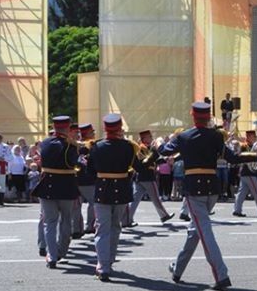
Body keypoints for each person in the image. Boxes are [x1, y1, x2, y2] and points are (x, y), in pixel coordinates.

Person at [159, 102, 257, 290]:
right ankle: (177, 269)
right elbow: (233, 158)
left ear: (193, 116)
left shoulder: (184, 136)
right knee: (195, 231)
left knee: (204, 232)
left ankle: (221, 275)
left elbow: (164, 151)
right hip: (212, 188)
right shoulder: (216, 136)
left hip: (194, 189)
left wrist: (165, 142)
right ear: (208, 117)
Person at [88, 114, 140, 281]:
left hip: (103, 190)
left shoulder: (96, 146)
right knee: (116, 227)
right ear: (119, 128)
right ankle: (109, 261)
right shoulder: (128, 147)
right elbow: (138, 167)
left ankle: (102, 266)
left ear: (105, 129)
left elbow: (90, 172)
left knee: (102, 228)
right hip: (122, 190)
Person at [33, 117, 80, 268]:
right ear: (67, 128)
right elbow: (73, 163)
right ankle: (62, 250)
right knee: (66, 220)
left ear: (54, 126)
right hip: (66, 185)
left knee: (50, 222)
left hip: (48, 185)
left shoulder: (45, 143)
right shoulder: (70, 146)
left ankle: (51, 256)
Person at [126, 129, 173, 226]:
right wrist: (155, 152)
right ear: (144, 139)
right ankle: (164, 215)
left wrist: (163, 160)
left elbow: (153, 161)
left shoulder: (147, 148)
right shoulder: (141, 149)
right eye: (149, 137)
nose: (151, 138)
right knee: (155, 197)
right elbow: (145, 162)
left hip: (142, 177)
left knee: (135, 200)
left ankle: (127, 219)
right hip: (146, 176)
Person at [232, 130, 257, 217]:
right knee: (256, 191)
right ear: (248, 136)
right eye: (252, 136)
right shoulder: (244, 146)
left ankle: (237, 210)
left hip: (247, 172)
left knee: (242, 192)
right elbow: (240, 154)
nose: (254, 138)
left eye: (254, 136)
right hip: (248, 172)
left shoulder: (255, 145)